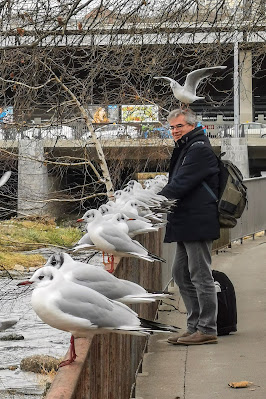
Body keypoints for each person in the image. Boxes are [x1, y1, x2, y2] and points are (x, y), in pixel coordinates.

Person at [159, 108, 220, 345]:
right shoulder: (187, 147)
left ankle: (207, 328)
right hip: (187, 220)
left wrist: (149, 204)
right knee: (180, 274)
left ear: (192, 126)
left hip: (197, 220)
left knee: (200, 275)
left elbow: (180, 184)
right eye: (172, 127)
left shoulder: (199, 149)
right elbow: (178, 183)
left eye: (179, 126)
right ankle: (194, 326)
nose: (174, 131)